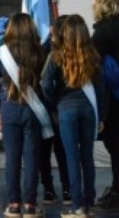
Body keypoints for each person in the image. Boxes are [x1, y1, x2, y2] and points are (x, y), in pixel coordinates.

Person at [42, 14, 107, 217]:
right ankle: (89, 203)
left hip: (66, 110)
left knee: (72, 157)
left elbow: (45, 85)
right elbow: (100, 88)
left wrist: (55, 103)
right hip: (89, 110)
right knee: (87, 157)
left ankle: (77, 206)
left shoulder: (56, 56)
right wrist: (102, 116)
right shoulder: (93, 55)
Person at [0, 13, 49, 218]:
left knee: (12, 158)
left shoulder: (1, 53)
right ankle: (30, 204)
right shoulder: (41, 52)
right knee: (32, 158)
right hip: (34, 110)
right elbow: (47, 83)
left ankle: (14, 203)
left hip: (9, 108)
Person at [90, 0, 119, 209]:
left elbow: (91, 66)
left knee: (116, 146)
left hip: (113, 99)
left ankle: (117, 191)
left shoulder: (102, 34)